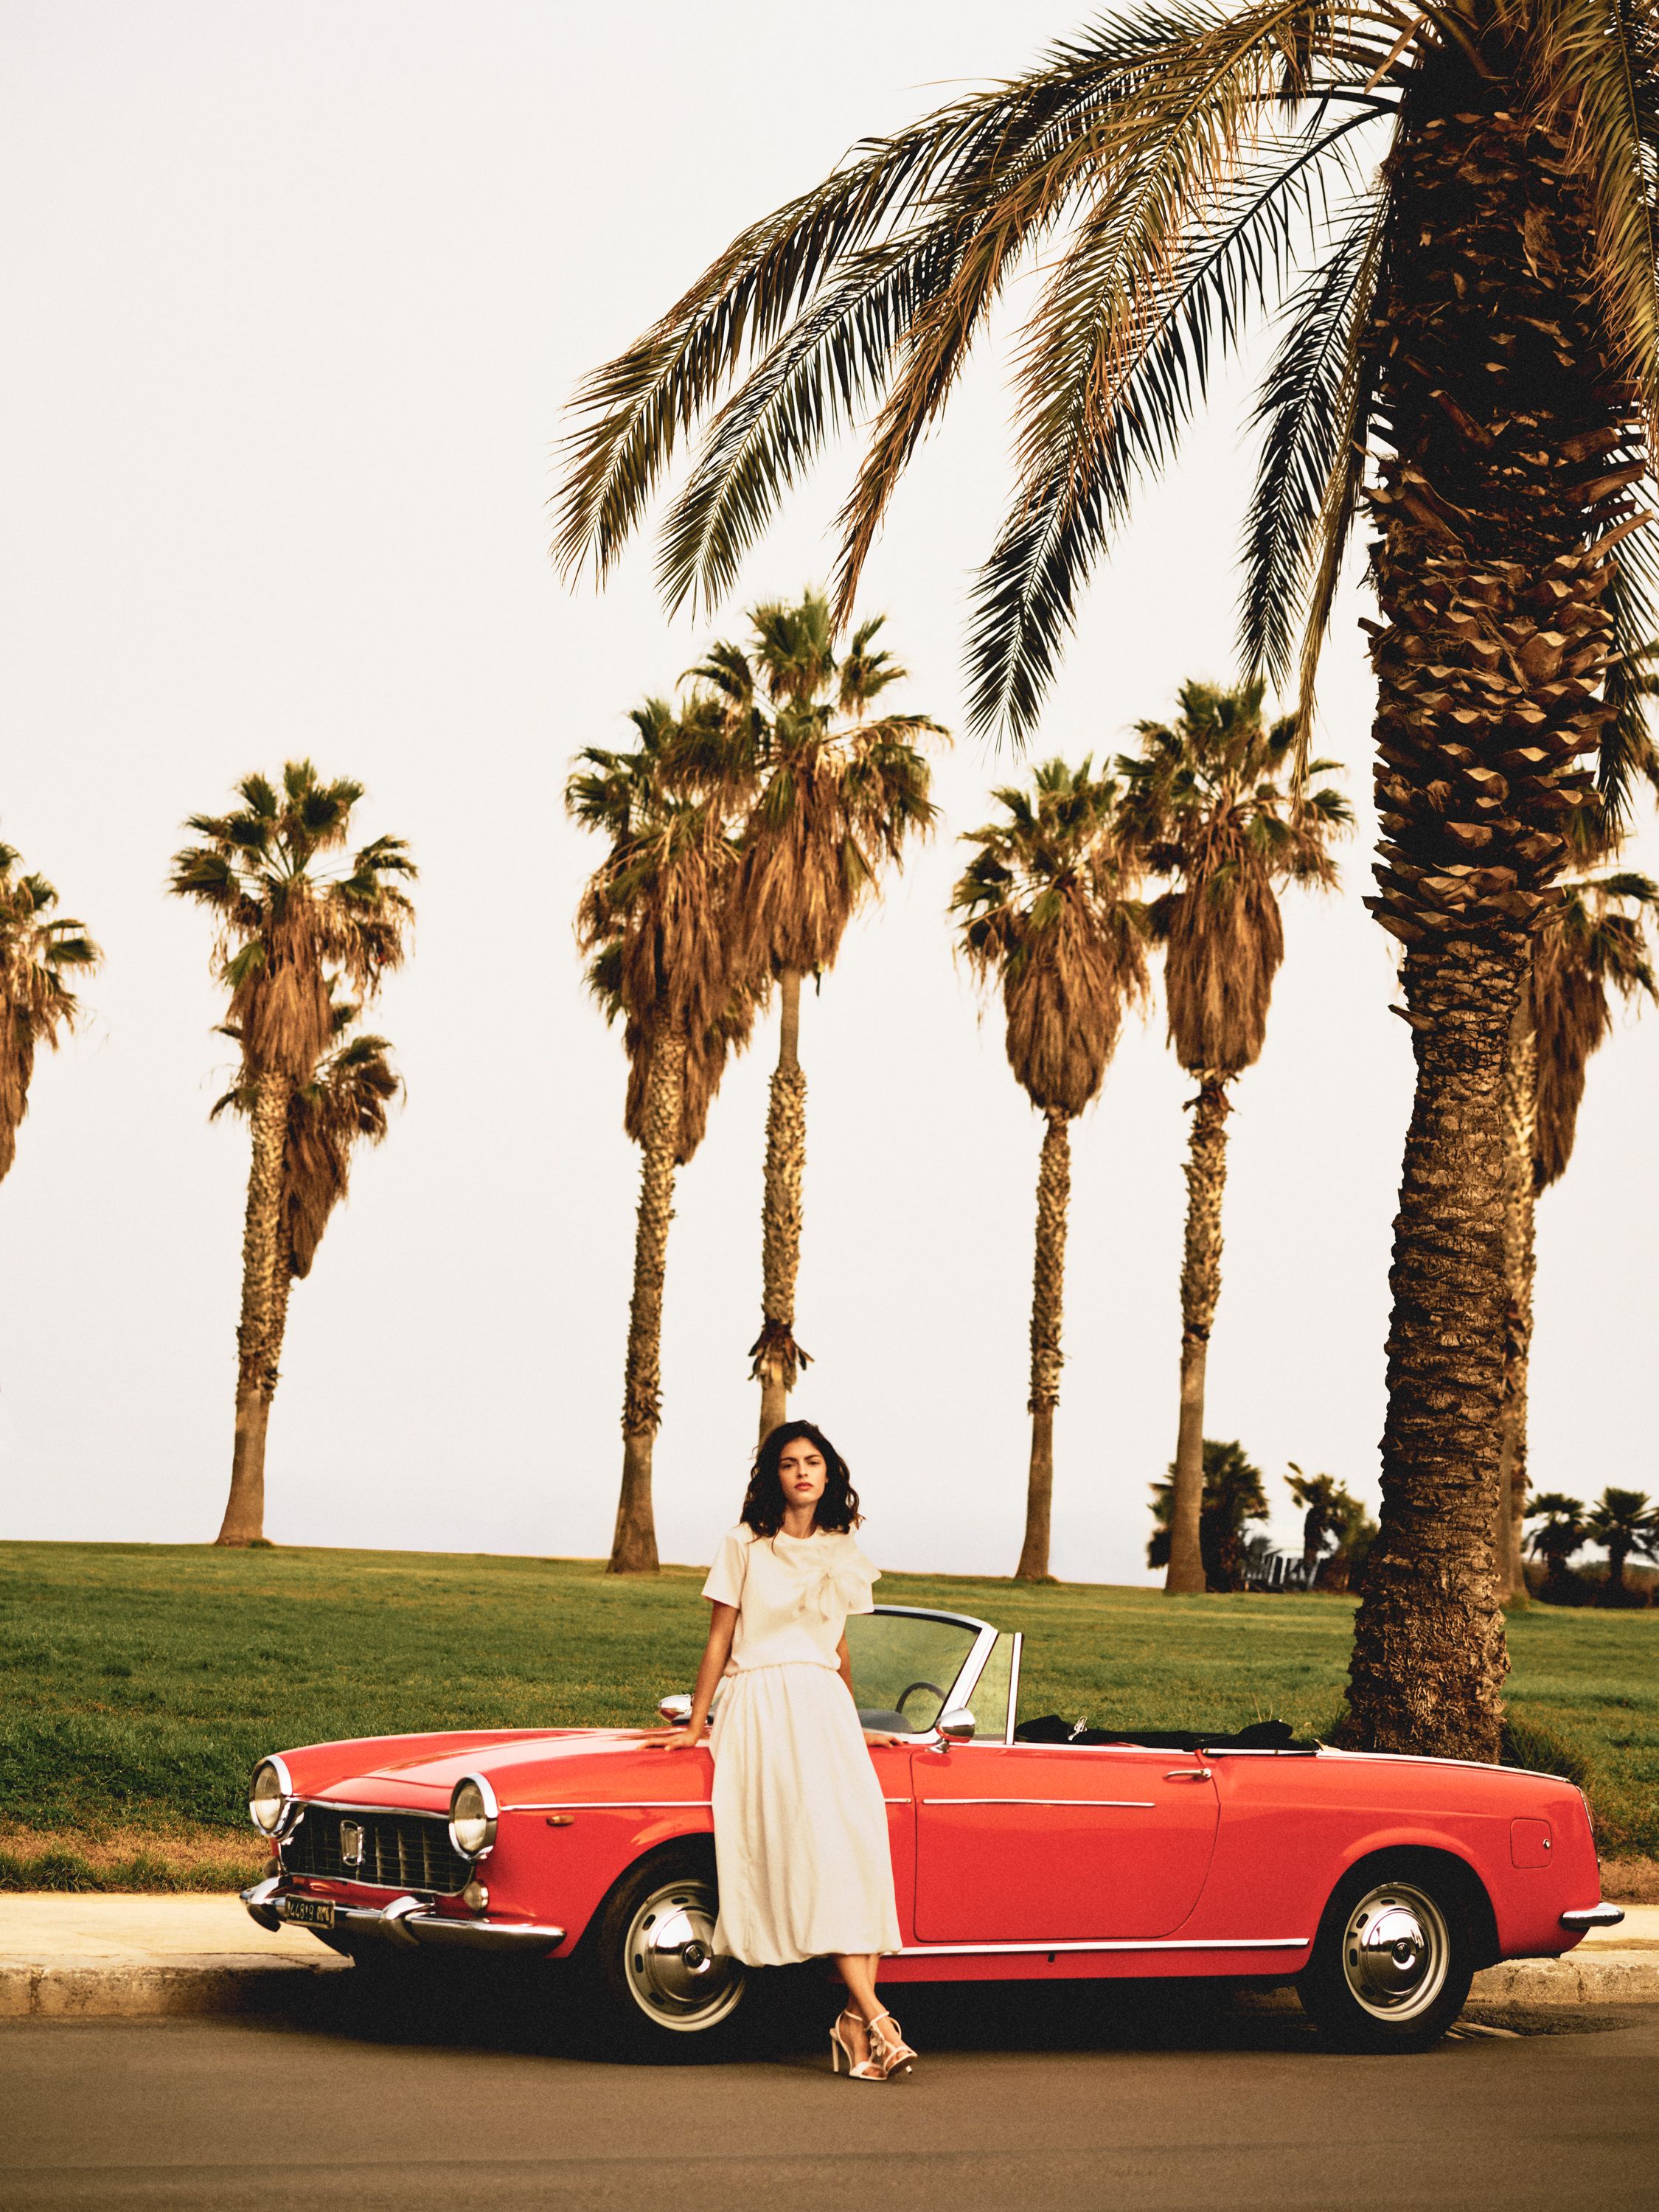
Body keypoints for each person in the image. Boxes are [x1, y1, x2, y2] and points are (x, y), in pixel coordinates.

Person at [646, 1419, 914, 2080]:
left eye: (812, 1462)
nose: (802, 1472)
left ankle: (855, 2025)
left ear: (828, 1473)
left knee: (857, 1852)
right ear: (774, 1475)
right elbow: (720, 1639)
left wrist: (853, 1722)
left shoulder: (841, 1548)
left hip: (825, 1710)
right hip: (761, 1705)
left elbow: (838, 1647)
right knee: (815, 1856)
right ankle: (877, 2019)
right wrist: (697, 1723)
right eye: (789, 1462)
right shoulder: (743, 1544)